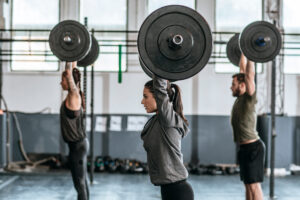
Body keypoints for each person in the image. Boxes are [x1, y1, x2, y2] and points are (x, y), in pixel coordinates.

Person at [141, 75, 194, 200]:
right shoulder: (157, 121)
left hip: (178, 192)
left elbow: (160, 88)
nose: (142, 101)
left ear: (159, 98)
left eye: (145, 97)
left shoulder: (167, 120)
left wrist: (158, 67)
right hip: (168, 189)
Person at [231, 54, 265, 200]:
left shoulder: (249, 98)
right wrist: (244, 52)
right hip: (244, 149)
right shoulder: (240, 98)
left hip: (253, 149)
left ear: (242, 85)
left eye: (233, 84)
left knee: (254, 186)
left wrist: (251, 54)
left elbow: (249, 74)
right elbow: (242, 69)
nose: (231, 87)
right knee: (247, 184)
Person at [60, 61, 89, 200]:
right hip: (77, 146)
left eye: (62, 80)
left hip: (77, 147)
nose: (60, 83)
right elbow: (73, 71)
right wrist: (72, 58)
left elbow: (69, 73)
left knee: (79, 183)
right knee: (82, 181)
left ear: (68, 79)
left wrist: (67, 60)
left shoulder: (74, 95)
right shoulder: (74, 95)